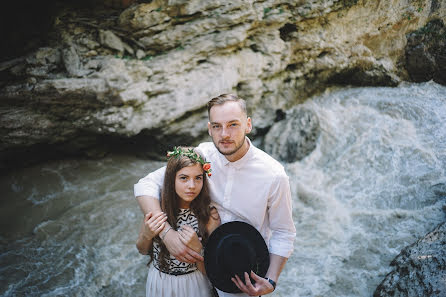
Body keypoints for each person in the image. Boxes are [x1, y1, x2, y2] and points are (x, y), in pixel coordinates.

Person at [134, 94, 296, 297]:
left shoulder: (274, 175)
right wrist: (167, 234)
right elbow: (146, 184)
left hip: (242, 275)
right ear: (210, 129)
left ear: (248, 125)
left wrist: (271, 281)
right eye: (217, 126)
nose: (224, 134)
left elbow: (284, 232)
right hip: (201, 273)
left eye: (233, 125)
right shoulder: (202, 155)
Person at [136, 146, 221, 297]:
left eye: (198, 178)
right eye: (184, 178)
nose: (192, 186)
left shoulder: (209, 215)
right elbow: (142, 249)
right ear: (171, 179)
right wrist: (147, 235)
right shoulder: (157, 208)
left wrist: (198, 249)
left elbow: (214, 271)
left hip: (194, 284)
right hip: (159, 281)